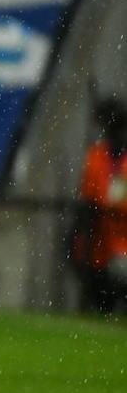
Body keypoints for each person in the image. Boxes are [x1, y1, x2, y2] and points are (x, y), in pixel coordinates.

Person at [74, 99, 127, 315]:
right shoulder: (97, 155)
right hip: (101, 238)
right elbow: (89, 198)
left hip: (121, 236)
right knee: (100, 293)